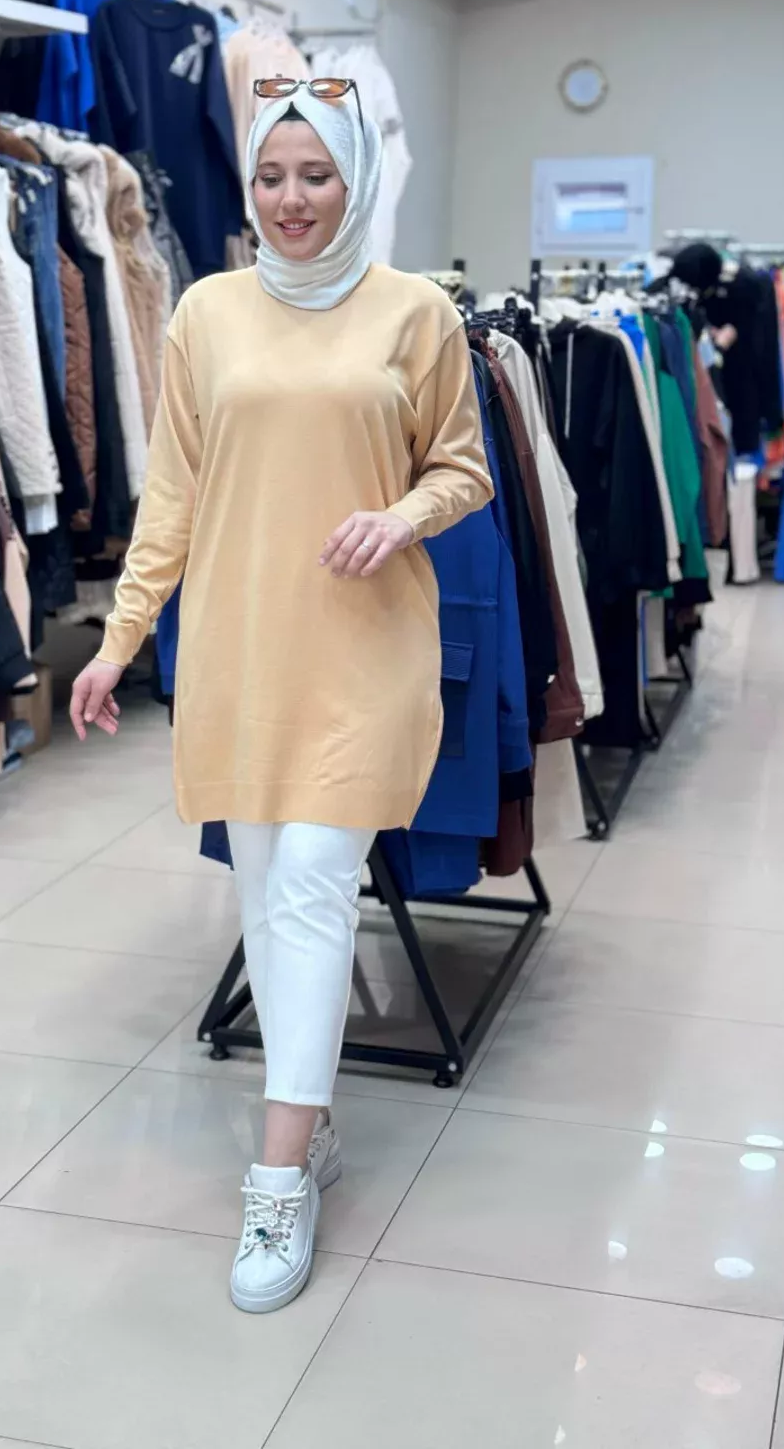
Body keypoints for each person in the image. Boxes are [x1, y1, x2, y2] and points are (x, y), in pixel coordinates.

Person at [70, 77, 494, 1314]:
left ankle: (275, 1182)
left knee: (311, 881)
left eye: (316, 175)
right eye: (271, 176)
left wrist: (400, 515)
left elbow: (463, 468)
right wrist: (118, 638)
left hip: (366, 648)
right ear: (247, 184)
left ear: (355, 180)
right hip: (241, 648)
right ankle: (310, 1127)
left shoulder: (416, 312)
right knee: (266, 896)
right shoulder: (203, 312)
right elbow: (172, 496)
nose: (291, 199)